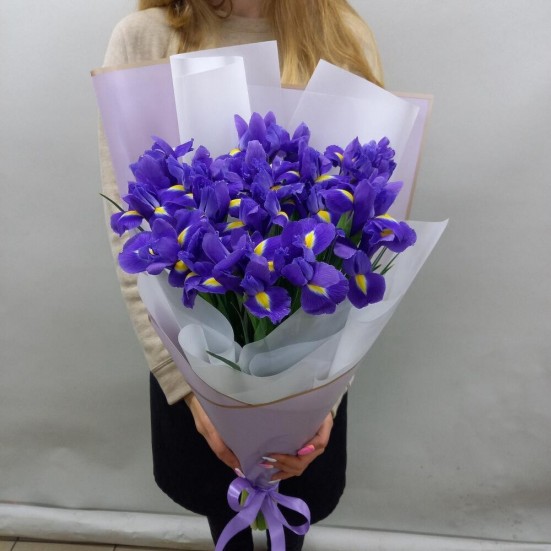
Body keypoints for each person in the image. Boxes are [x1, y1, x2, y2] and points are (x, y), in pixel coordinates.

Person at [100, 1, 384, 549]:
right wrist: (192, 391)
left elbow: (363, 230)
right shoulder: (144, 38)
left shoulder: (340, 35)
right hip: (193, 355)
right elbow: (132, 238)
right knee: (221, 514)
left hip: (314, 367)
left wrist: (324, 399)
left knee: (293, 516)